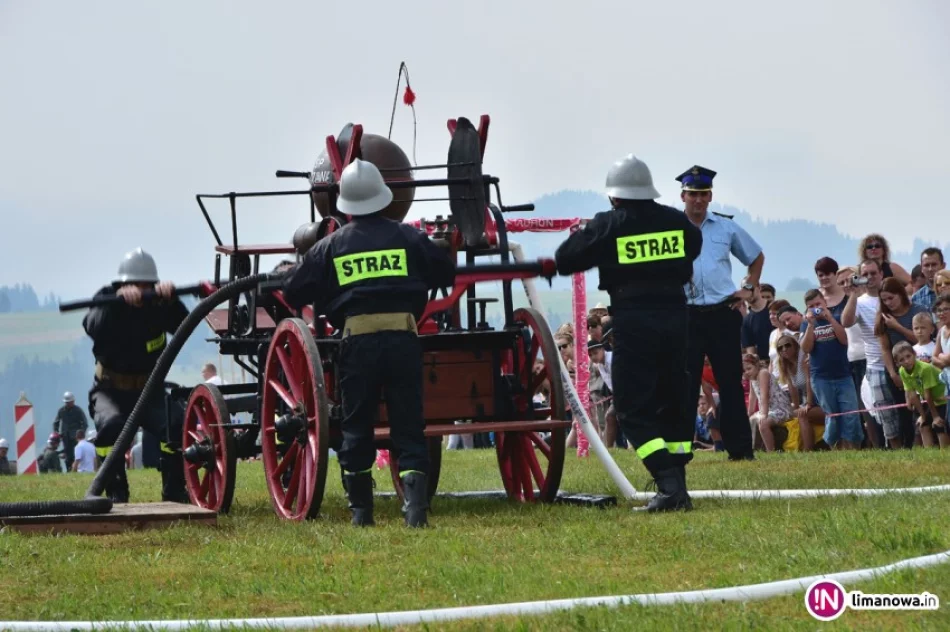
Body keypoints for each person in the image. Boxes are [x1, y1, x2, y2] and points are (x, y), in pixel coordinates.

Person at [282, 159, 456, 527]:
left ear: (344, 203)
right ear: (383, 198)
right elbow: (444, 271)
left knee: (356, 426)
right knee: (409, 425)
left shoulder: (330, 246)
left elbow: (294, 290)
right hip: (403, 340)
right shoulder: (410, 237)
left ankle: (361, 513)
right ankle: (415, 512)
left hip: (357, 345)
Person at [554, 153, 702, 512]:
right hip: (677, 316)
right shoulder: (677, 222)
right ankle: (677, 485)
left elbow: (566, 257)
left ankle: (667, 484)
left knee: (632, 407)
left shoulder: (610, 224)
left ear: (614, 195)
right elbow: (694, 246)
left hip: (635, 319)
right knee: (674, 397)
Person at [82, 247, 190, 502]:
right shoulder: (107, 298)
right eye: (137, 285)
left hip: (150, 390)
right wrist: (118, 302)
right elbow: (92, 325)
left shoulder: (158, 303)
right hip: (110, 389)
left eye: (148, 285)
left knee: (175, 424)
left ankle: (174, 490)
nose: (143, 290)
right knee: (111, 426)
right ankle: (116, 492)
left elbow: (184, 325)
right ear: (124, 283)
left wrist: (171, 300)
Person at [679, 165, 765, 462]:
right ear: (683, 196)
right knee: (686, 383)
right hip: (686, 314)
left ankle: (740, 449)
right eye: (693, 195)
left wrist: (750, 287)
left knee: (730, 381)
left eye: (703, 194)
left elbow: (755, 256)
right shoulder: (672, 228)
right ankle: (681, 449)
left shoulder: (725, 227)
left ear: (710, 196)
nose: (698, 200)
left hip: (722, 312)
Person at [893, 342, 949, 449]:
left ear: (914, 354)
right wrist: (923, 416)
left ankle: (944, 454)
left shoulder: (925, 368)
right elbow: (912, 395)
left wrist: (935, 417)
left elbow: (928, 395)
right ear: (897, 363)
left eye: (908, 356)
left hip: (943, 399)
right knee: (922, 425)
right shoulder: (902, 371)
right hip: (932, 401)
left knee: (939, 425)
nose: (906, 361)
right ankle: (929, 455)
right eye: (901, 360)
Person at [52, 391, 88, 471]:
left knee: (76, 454)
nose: (69, 404)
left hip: (76, 437)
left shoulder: (78, 410)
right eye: (67, 402)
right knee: (68, 455)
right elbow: (56, 422)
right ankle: (69, 470)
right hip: (65, 437)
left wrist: (81, 434)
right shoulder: (61, 411)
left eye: (70, 402)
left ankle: (76, 469)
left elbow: (85, 423)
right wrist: (56, 433)